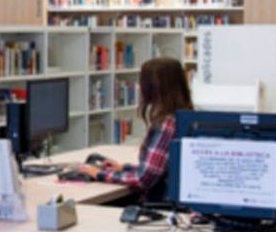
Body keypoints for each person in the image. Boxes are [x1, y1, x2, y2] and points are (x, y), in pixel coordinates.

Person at [74, 56, 192, 202]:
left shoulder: (166, 125)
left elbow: (143, 180)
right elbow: (159, 171)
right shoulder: (183, 117)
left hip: (156, 204)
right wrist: (124, 168)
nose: (139, 87)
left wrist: (98, 173)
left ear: (152, 87)